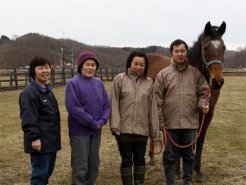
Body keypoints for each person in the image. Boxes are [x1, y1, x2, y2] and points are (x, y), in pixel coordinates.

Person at [153, 39, 209, 185]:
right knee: (170, 156)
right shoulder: (163, 75)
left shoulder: (196, 74)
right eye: (176, 51)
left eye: (182, 51)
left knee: (189, 155)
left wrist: (202, 103)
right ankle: (170, 181)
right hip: (171, 123)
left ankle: (187, 181)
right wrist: (160, 121)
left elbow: (204, 92)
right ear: (172, 53)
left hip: (190, 123)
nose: (179, 54)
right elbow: (157, 99)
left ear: (187, 52)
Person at [109, 51, 159, 185]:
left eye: (141, 65)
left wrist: (154, 131)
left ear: (145, 66)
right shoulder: (119, 79)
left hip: (142, 130)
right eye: (135, 64)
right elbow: (113, 103)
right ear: (129, 63)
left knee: (140, 159)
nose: (138, 67)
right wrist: (115, 126)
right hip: (123, 130)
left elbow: (152, 108)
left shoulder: (149, 83)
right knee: (126, 160)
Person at [65, 50, 110, 185]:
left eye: (93, 65)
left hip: (96, 131)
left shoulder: (99, 84)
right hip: (80, 132)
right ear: (80, 66)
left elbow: (107, 105)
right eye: (87, 64)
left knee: (93, 165)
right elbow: (73, 108)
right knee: (81, 167)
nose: (90, 68)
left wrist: (102, 121)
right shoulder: (73, 83)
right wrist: (91, 122)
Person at [19, 56, 61, 185]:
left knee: (46, 173)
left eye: (47, 67)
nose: (45, 71)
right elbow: (28, 118)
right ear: (33, 71)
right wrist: (35, 138)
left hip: (50, 141)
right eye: (40, 68)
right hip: (40, 142)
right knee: (39, 175)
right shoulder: (29, 93)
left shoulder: (47, 90)